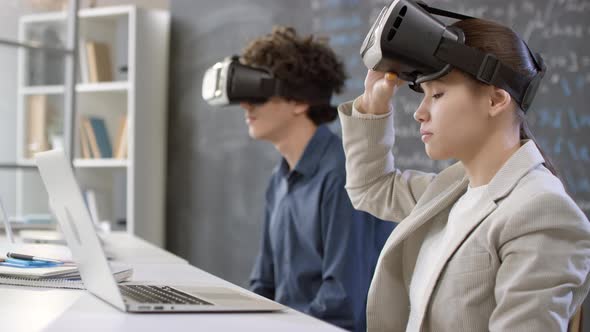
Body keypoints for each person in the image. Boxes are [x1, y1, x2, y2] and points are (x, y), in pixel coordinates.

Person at [339, 18, 590, 331]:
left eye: (438, 95)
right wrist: (373, 105)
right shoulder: (454, 190)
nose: (419, 112)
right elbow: (371, 188)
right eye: (423, 94)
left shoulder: (542, 213)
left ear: (496, 100)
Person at [240, 26, 394, 331]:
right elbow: (263, 283)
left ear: (299, 101)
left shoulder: (344, 175)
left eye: (257, 93)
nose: (246, 105)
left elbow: (343, 304)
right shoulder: (279, 179)